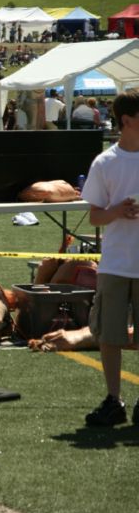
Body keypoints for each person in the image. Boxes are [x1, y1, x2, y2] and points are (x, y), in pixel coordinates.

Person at [80, 90, 139, 427]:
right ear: (127, 121)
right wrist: (116, 211)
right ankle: (114, 399)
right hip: (116, 263)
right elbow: (94, 217)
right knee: (109, 335)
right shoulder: (105, 162)